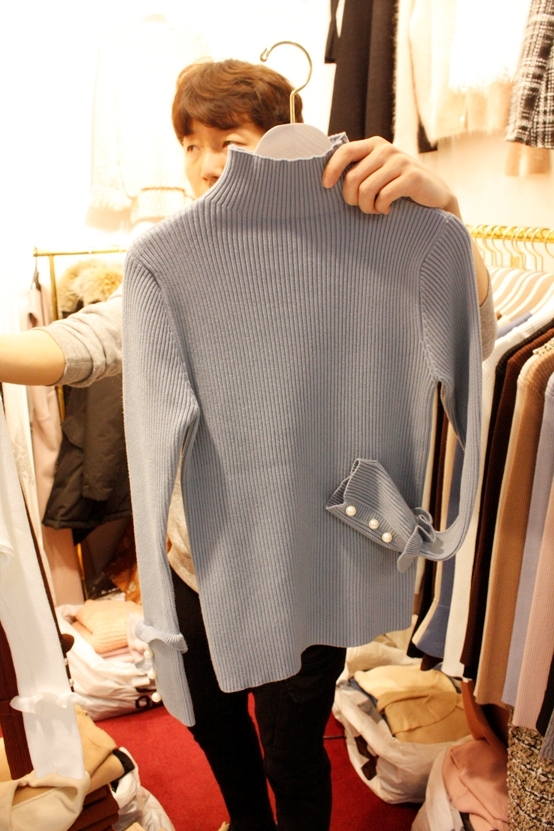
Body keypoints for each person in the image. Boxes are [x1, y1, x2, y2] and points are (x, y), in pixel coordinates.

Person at [0, 59, 495, 831]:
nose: (205, 165)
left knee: (292, 745)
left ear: (284, 145)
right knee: (210, 719)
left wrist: (448, 214)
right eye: (189, 145)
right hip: (194, 560)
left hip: (309, 564)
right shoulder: (175, 259)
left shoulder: (375, 241)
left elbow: (471, 341)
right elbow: (84, 343)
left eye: (227, 142)